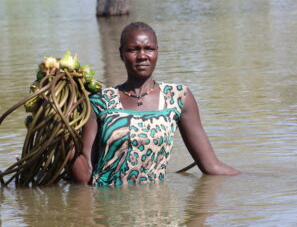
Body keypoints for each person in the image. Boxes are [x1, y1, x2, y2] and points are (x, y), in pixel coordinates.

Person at [71, 21, 240, 186]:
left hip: (159, 209)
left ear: (157, 52)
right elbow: (85, 176)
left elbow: (211, 166)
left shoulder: (178, 97)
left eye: (149, 49)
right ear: (121, 54)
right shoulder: (99, 101)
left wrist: (258, 180)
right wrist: (64, 137)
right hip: (108, 208)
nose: (142, 56)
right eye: (133, 50)